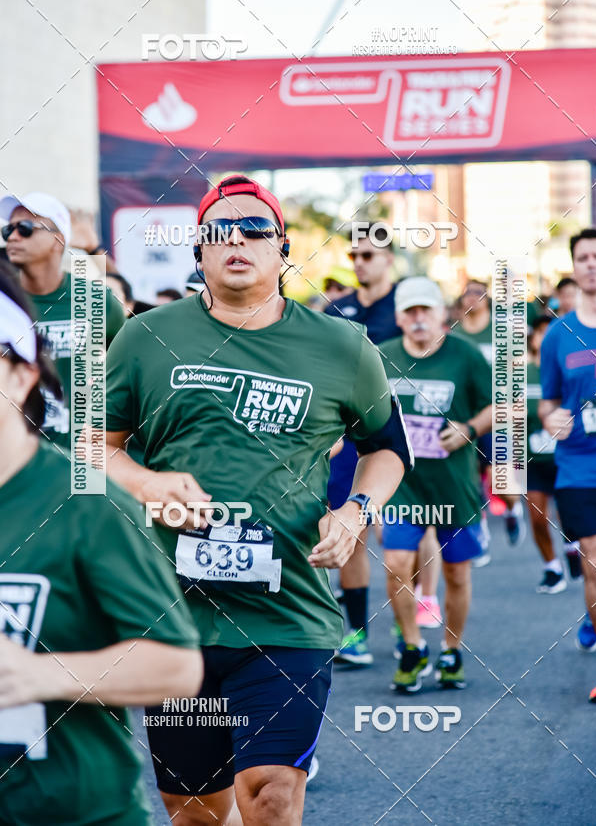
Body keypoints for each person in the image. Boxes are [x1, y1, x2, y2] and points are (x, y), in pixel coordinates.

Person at [102, 175, 411, 825]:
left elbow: (386, 449)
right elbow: (92, 447)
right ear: (198, 251)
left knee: (270, 790)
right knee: (195, 811)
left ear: (284, 250)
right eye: (218, 230)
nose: (235, 238)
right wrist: (147, 482)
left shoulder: (342, 346)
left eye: (253, 229)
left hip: (288, 615)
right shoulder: (142, 337)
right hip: (175, 618)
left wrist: (355, 512)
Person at [0, 266, 202, 826]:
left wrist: (40, 675)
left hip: (78, 813)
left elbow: (177, 667)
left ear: (21, 376)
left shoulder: (87, 504)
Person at [379, 277, 492, 693]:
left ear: (443, 313)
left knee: (457, 575)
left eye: (426, 309)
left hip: (452, 486)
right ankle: (412, 648)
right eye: (410, 311)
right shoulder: (383, 357)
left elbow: (501, 403)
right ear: (399, 318)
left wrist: (468, 427)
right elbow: (364, 414)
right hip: (403, 487)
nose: (419, 318)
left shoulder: (465, 356)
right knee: (396, 568)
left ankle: (451, 649)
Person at [324, 223, 402, 666]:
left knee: (400, 535)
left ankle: (411, 617)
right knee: (347, 526)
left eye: (368, 255)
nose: (358, 263)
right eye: (353, 256)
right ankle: (356, 632)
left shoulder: (406, 305)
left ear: (389, 258)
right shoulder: (338, 310)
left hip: (400, 436)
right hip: (352, 436)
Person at [0, 191, 124, 450]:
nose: (12, 236)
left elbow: (132, 365)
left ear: (58, 239)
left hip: (83, 462)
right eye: (7, 230)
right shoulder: (5, 304)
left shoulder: (97, 300)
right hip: (18, 460)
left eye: (25, 228)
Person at [539, 227, 596, 702]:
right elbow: (548, 404)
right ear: (573, 267)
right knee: (595, 566)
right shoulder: (559, 334)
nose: (592, 264)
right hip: (579, 467)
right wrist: (552, 417)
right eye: (583, 258)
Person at [454, 278, 526, 548]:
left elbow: (516, 367)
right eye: (467, 293)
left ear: (487, 298)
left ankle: (511, 509)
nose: (472, 298)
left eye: (478, 293)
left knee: (501, 479)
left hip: (496, 415)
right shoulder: (456, 334)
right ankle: (478, 526)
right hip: (466, 415)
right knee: (469, 476)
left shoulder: (500, 331)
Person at [526, 315, 569, 593]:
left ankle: (574, 548)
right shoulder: (522, 373)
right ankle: (552, 566)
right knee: (537, 517)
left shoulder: (568, 370)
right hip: (532, 459)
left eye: (549, 332)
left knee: (570, 519)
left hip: (566, 457)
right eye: (540, 332)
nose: (544, 338)